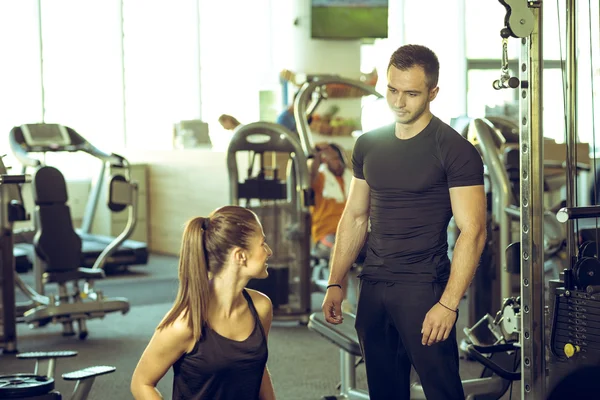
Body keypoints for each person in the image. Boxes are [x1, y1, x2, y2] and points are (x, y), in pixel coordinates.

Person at [321, 44, 486, 400]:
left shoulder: (454, 150)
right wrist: (336, 281)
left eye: (411, 93)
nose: (398, 102)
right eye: (392, 90)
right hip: (374, 284)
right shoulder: (368, 145)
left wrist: (448, 304)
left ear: (433, 92)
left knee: (442, 391)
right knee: (384, 391)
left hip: (424, 288)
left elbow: (473, 231)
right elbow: (355, 216)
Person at [131, 205, 277, 400]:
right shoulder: (185, 324)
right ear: (240, 256)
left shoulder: (261, 307)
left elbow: (257, 368)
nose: (269, 251)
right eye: (262, 243)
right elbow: (141, 383)